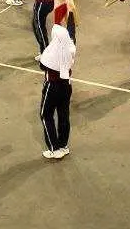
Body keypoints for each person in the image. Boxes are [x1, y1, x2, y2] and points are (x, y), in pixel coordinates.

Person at [38, 23, 76, 160]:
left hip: (52, 87)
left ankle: (54, 148)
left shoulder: (51, 52)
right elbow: (72, 32)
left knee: (45, 114)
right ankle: (63, 145)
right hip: (67, 86)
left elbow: (42, 65)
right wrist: (71, 14)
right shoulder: (71, 48)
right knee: (63, 114)